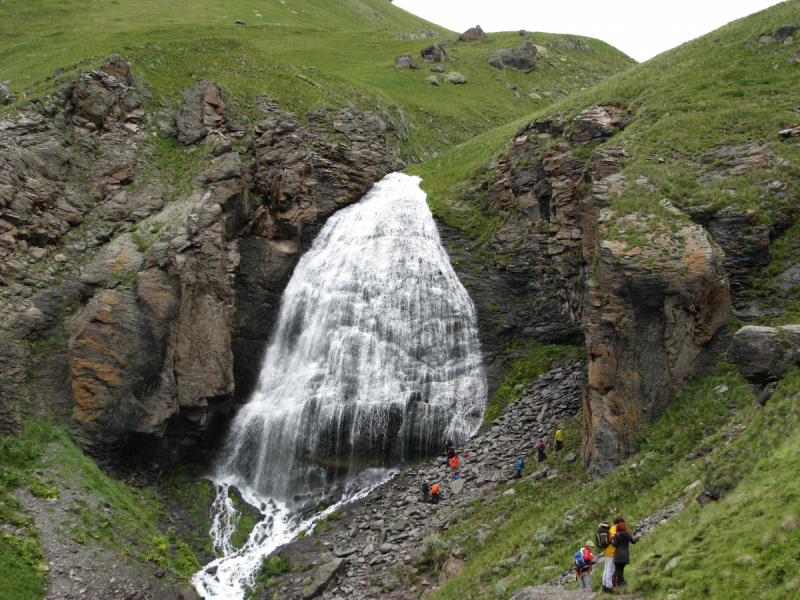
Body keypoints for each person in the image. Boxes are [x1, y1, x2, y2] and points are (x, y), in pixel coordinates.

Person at [611, 522, 640, 588]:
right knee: (621, 569)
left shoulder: (617, 535)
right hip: (626, 554)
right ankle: (619, 584)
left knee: (618, 569)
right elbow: (633, 542)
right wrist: (637, 537)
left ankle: (623, 583)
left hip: (618, 554)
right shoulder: (628, 535)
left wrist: (612, 539)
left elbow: (614, 545)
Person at [602, 517, 624, 593]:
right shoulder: (614, 528)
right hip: (611, 551)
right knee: (610, 569)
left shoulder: (611, 528)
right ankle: (609, 586)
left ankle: (604, 585)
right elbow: (613, 538)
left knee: (606, 568)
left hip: (607, 550)